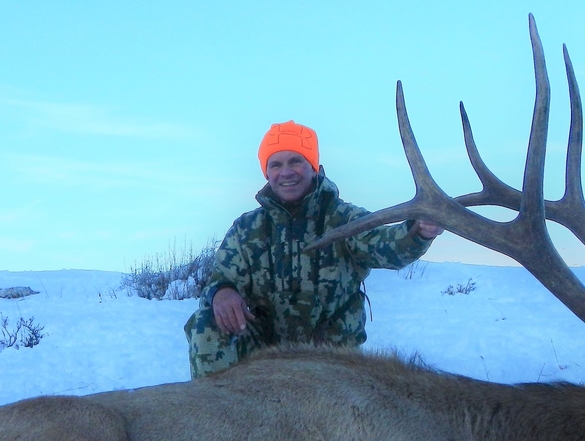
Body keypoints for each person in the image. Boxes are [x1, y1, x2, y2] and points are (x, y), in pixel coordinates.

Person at [184, 120, 442, 378]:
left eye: (295, 161)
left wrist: (417, 231)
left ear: (315, 168)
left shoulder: (345, 219)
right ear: (266, 173)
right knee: (206, 324)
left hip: (332, 357)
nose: (286, 172)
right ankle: (220, 411)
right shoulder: (247, 228)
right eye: (276, 164)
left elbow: (387, 246)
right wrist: (222, 292)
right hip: (263, 354)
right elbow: (221, 278)